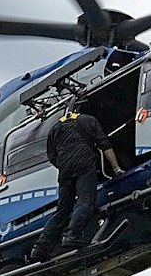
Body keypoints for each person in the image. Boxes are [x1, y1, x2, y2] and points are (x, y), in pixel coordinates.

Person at [29, 108, 124, 262]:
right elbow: (104, 144)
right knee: (85, 201)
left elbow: (52, 156)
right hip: (84, 164)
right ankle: (71, 236)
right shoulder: (89, 120)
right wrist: (116, 168)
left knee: (62, 209)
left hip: (64, 170)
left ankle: (39, 248)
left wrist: (65, 166)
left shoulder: (54, 130)